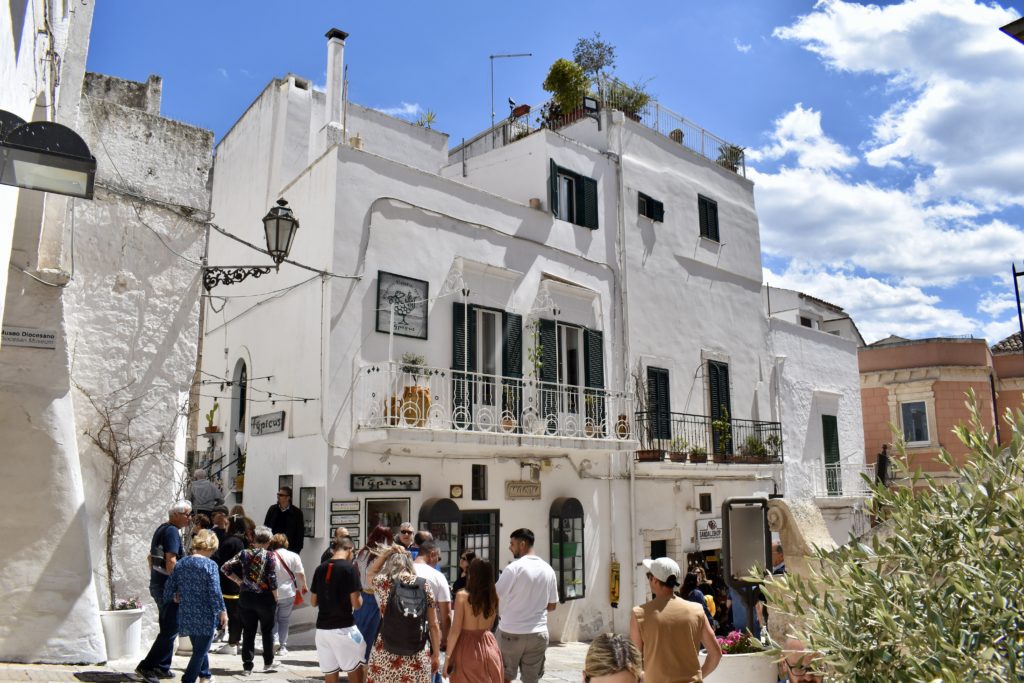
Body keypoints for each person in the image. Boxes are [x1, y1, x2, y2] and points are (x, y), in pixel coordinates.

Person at [630, 556, 722, 683]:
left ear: (655, 580)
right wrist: (699, 677)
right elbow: (716, 654)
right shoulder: (696, 610)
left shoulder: (639, 614)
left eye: (648, 576)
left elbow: (635, 661)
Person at [366, 544, 442, 683]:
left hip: (385, 650)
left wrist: (384, 555)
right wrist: (436, 654)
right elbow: (433, 624)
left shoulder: (384, 583)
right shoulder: (423, 585)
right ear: (410, 563)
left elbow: (370, 573)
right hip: (417, 652)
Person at [136, 501, 192, 681]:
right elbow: (171, 561)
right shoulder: (172, 531)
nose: (189, 518)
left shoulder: (163, 528)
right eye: (187, 514)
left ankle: (162, 666)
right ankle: (147, 666)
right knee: (170, 628)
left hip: (159, 584)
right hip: (168, 586)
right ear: (176, 515)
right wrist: (178, 586)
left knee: (169, 626)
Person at [494, 528, 558, 683]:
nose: (510, 547)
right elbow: (552, 605)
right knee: (531, 680)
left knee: (503, 677)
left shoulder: (514, 568)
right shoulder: (548, 570)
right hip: (538, 633)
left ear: (522, 544)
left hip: (511, 631)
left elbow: (495, 595)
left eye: (512, 543)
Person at [164, 529, 227, 683]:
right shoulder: (210, 565)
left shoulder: (182, 563)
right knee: (200, 651)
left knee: (199, 648)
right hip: (205, 613)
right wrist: (222, 611)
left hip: (187, 612)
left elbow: (169, 586)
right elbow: (214, 590)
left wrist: (174, 596)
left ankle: (205, 675)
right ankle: (188, 679)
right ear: (210, 547)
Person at [221, 525, 279, 675]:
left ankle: (247, 666)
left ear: (254, 538)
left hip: (246, 597)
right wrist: (276, 596)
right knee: (267, 631)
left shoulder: (243, 553)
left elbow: (225, 568)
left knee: (248, 632)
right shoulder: (270, 556)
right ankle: (268, 663)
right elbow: (272, 578)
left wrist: (240, 582)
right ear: (269, 540)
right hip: (265, 598)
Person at [311, 536, 365, 683]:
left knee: (330, 672)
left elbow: (313, 601)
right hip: (344, 628)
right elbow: (357, 604)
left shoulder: (320, 568)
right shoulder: (350, 569)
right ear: (350, 550)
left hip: (322, 631)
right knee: (356, 669)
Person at [445, 558, 503, 683]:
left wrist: (448, 658)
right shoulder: (494, 597)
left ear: (472, 574)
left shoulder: (462, 596)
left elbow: (455, 630)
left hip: (466, 648)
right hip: (489, 645)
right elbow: (491, 624)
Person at [352, 525, 394, 662]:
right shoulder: (385, 555)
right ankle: (367, 662)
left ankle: (356, 660)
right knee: (374, 633)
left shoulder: (362, 553)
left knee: (359, 630)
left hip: (362, 595)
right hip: (377, 597)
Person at [412, 540, 451, 683]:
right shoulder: (437, 576)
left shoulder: (401, 572)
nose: (438, 562)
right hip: (426, 637)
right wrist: (446, 640)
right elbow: (445, 615)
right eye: (438, 559)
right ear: (432, 554)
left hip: (399, 634)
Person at [213, 514, 248, 654]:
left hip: (229, 583)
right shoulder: (243, 541)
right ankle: (235, 641)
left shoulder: (230, 542)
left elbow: (220, 562)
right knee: (236, 613)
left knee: (233, 613)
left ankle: (233, 643)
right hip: (239, 583)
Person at [269, 533, 308, 655]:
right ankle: (282, 646)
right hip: (288, 592)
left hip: (271, 592)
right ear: (286, 543)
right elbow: (300, 573)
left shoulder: (269, 556)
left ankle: (274, 640)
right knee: (284, 619)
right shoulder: (294, 556)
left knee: (273, 619)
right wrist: (304, 585)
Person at [264, 486, 305, 554]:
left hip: (290, 550)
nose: (278, 496)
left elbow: (300, 533)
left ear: (288, 497)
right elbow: (266, 527)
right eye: (278, 494)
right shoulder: (272, 509)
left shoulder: (297, 513)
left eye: (281, 495)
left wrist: (296, 551)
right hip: (272, 549)